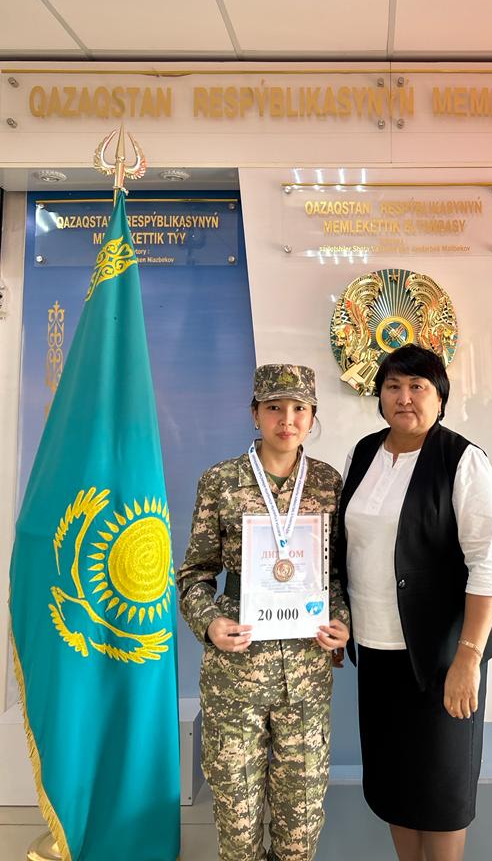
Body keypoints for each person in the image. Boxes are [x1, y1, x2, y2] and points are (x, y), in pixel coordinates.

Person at [337, 344, 492, 861]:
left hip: (441, 658)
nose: (404, 397)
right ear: (379, 395)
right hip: (376, 650)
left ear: (440, 397)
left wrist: (468, 658)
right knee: (395, 784)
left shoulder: (463, 460)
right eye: (393, 386)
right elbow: (346, 548)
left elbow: (488, 565)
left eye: (418, 387)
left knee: (441, 791)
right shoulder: (363, 453)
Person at [177, 363, 350, 861]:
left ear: (312, 416)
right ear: (255, 413)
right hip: (236, 674)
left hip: (306, 674)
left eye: (299, 409)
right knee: (238, 829)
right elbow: (194, 573)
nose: (287, 420)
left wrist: (341, 620)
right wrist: (210, 623)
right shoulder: (221, 481)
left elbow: (337, 574)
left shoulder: (327, 483)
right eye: (274, 407)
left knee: (300, 831)